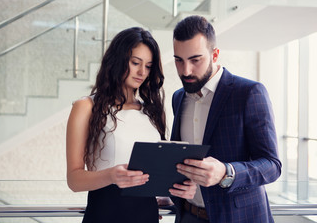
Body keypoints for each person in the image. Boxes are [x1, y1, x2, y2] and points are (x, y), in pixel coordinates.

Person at [66, 27, 196, 223]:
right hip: (104, 215)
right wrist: (111, 175)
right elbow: (74, 180)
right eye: (135, 62)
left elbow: (157, 172)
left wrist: (178, 188)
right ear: (118, 60)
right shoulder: (86, 107)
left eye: (148, 66)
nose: (142, 72)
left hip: (147, 216)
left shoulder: (152, 110)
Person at [169, 15, 282, 223]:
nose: (186, 71)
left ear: (215, 55)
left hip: (239, 218)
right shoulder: (178, 98)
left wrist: (226, 172)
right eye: (179, 60)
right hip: (188, 216)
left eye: (195, 60)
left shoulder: (249, 93)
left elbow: (272, 165)